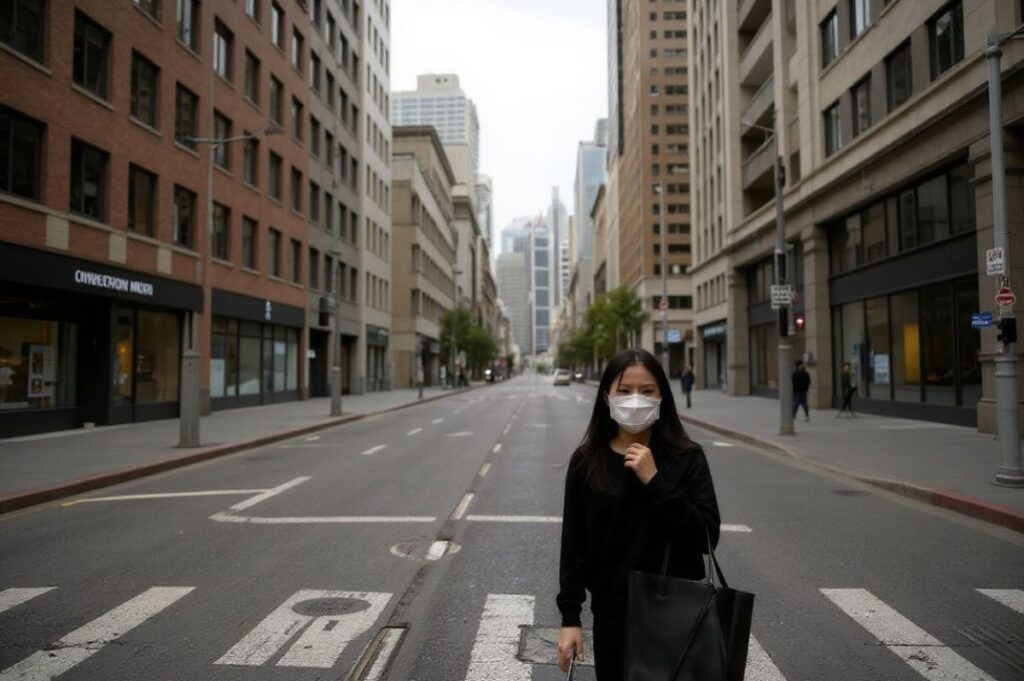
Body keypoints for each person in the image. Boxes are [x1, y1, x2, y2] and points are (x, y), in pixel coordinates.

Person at [556, 349, 721, 680]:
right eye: (624, 390)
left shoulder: (686, 458)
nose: (635, 400)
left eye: (647, 391)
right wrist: (570, 618)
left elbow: (706, 537)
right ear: (607, 397)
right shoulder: (587, 462)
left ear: (662, 397)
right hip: (612, 615)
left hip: (674, 612)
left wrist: (656, 482)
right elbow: (574, 547)